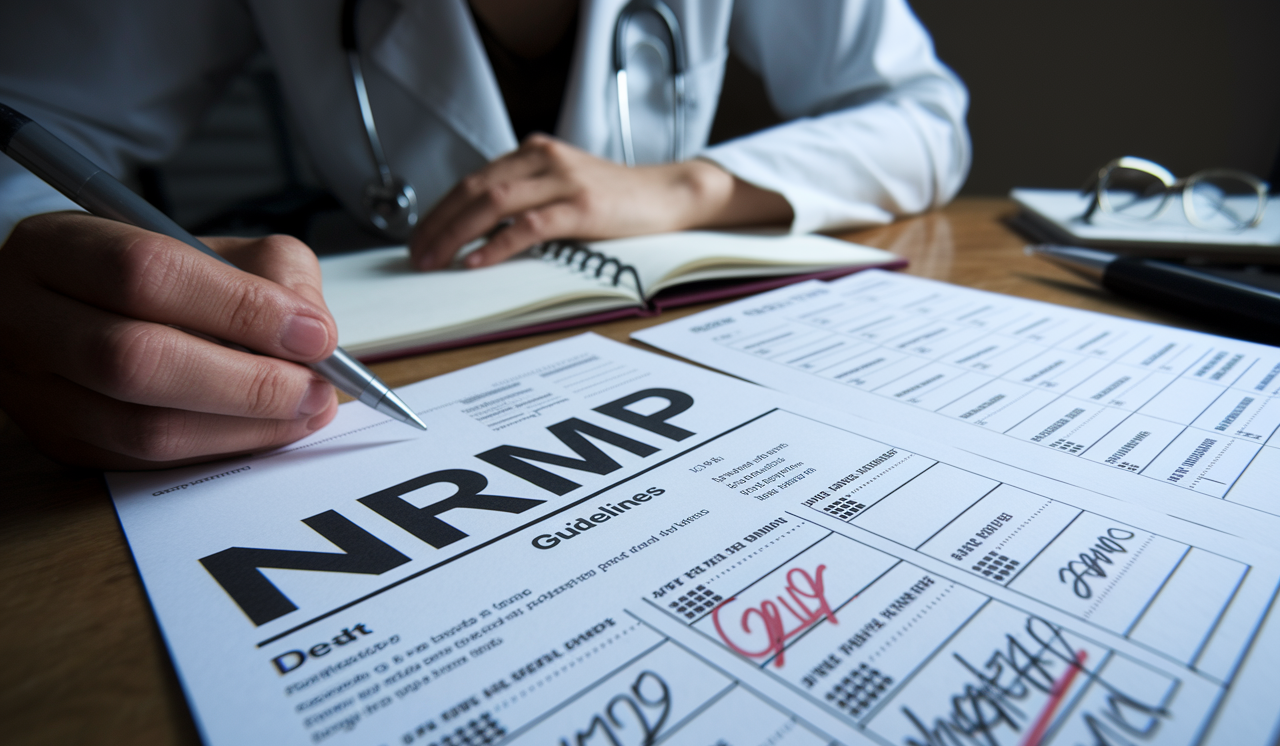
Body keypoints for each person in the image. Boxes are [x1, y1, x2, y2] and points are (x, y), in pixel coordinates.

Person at [0, 0, 969, 469]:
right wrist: (56, 269)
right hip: (409, 341)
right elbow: (28, 130)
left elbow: (924, 115)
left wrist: (684, 186)